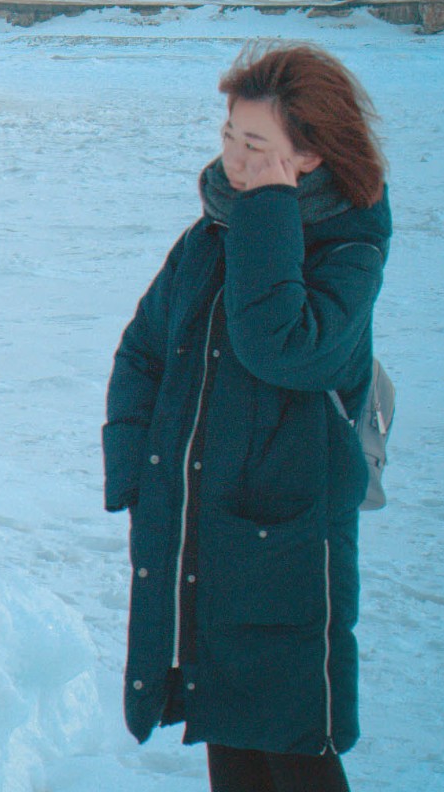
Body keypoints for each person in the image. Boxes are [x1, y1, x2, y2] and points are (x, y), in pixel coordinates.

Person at [103, 42, 390, 792]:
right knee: (227, 739)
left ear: (311, 154)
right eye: (229, 136)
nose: (233, 159)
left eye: (256, 145)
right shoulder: (209, 238)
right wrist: (140, 475)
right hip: (201, 523)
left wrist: (268, 208)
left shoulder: (350, 248)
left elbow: (283, 345)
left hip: (288, 541)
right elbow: (141, 354)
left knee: (296, 750)